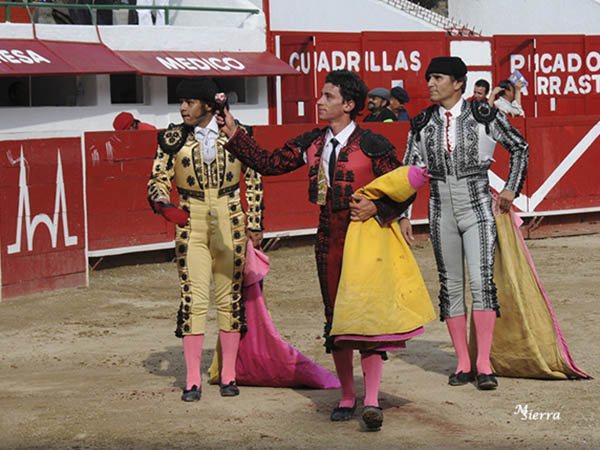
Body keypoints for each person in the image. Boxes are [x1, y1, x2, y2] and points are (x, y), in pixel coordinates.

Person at [219, 70, 411, 430]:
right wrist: (234, 133)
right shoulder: (312, 141)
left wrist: (378, 207)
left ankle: (371, 399)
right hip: (328, 237)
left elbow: (404, 186)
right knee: (336, 315)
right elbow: (268, 163)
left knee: (366, 315)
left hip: (366, 239)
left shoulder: (374, 143)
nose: (319, 101)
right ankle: (347, 395)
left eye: (328, 96)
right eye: (321, 95)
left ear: (349, 104)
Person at [400, 56, 529, 391]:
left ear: (458, 83)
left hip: (477, 208)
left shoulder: (484, 114)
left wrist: (511, 188)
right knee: (451, 285)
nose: (430, 83)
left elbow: (520, 148)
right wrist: (404, 214)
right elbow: (409, 172)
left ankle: (483, 363)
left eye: (437, 77)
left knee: (482, 282)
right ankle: (463, 363)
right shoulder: (422, 122)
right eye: (429, 78)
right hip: (440, 209)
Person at [146, 77, 264, 401]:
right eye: (181, 102)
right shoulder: (172, 138)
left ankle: (228, 375)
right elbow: (158, 178)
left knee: (230, 298)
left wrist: (255, 224)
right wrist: (162, 203)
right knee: (193, 299)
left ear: (208, 106)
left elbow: (254, 178)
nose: (182, 108)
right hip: (191, 220)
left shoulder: (238, 133)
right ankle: (192, 380)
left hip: (230, 218)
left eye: (190, 102)